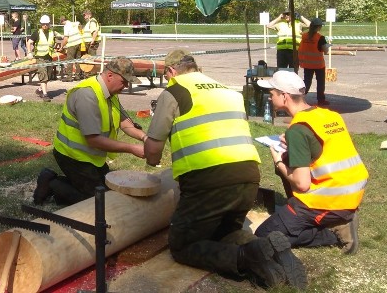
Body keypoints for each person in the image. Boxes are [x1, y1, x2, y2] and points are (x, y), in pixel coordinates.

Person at [142, 49, 307, 289]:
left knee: (182, 246)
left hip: (208, 181)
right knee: (222, 232)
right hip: (248, 176)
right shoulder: (228, 91)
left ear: (171, 71)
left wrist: (150, 159)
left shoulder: (174, 92)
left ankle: (246, 258)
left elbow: (154, 148)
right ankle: (268, 250)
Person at [255, 71, 368, 256]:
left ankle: (333, 233)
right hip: (352, 194)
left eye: (272, 93)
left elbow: (302, 183)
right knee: (289, 158)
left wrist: (277, 161)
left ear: (284, 96)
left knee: (264, 236)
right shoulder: (329, 115)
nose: (269, 98)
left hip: (328, 200)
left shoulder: (298, 129)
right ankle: (339, 220)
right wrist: (294, 146)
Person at [32, 57, 146, 205]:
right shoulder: (87, 95)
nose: (125, 86)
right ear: (110, 75)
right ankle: (51, 183)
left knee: (108, 193)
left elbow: (124, 122)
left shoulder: (110, 93)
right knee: (96, 202)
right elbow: (93, 140)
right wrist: (131, 148)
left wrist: (145, 138)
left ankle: (62, 189)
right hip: (72, 156)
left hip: (92, 158)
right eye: (124, 82)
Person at [26, 15, 61, 101]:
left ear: (49, 24)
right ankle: (45, 94)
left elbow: (60, 37)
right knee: (43, 74)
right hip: (40, 57)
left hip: (49, 56)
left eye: (46, 24)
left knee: (48, 76)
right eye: (43, 24)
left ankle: (40, 90)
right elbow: (29, 42)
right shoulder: (37, 32)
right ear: (41, 24)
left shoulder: (52, 33)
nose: (45, 25)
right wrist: (29, 52)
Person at [298, 18, 331, 106]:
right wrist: (327, 47)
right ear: (319, 27)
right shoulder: (320, 38)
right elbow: (325, 51)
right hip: (318, 64)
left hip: (307, 64)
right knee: (320, 83)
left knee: (306, 83)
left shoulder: (304, 36)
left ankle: (300, 98)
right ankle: (321, 100)